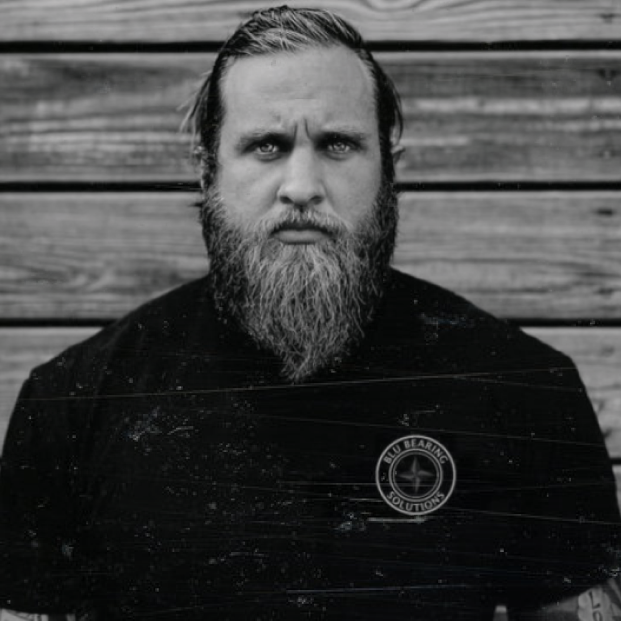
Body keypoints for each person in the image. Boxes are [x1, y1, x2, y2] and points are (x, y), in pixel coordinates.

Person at [1, 6, 619, 620]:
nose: (301, 184)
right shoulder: (75, 402)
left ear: (389, 170)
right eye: (266, 146)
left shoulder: (523, 388)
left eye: (338, 144)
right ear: (206, 169)